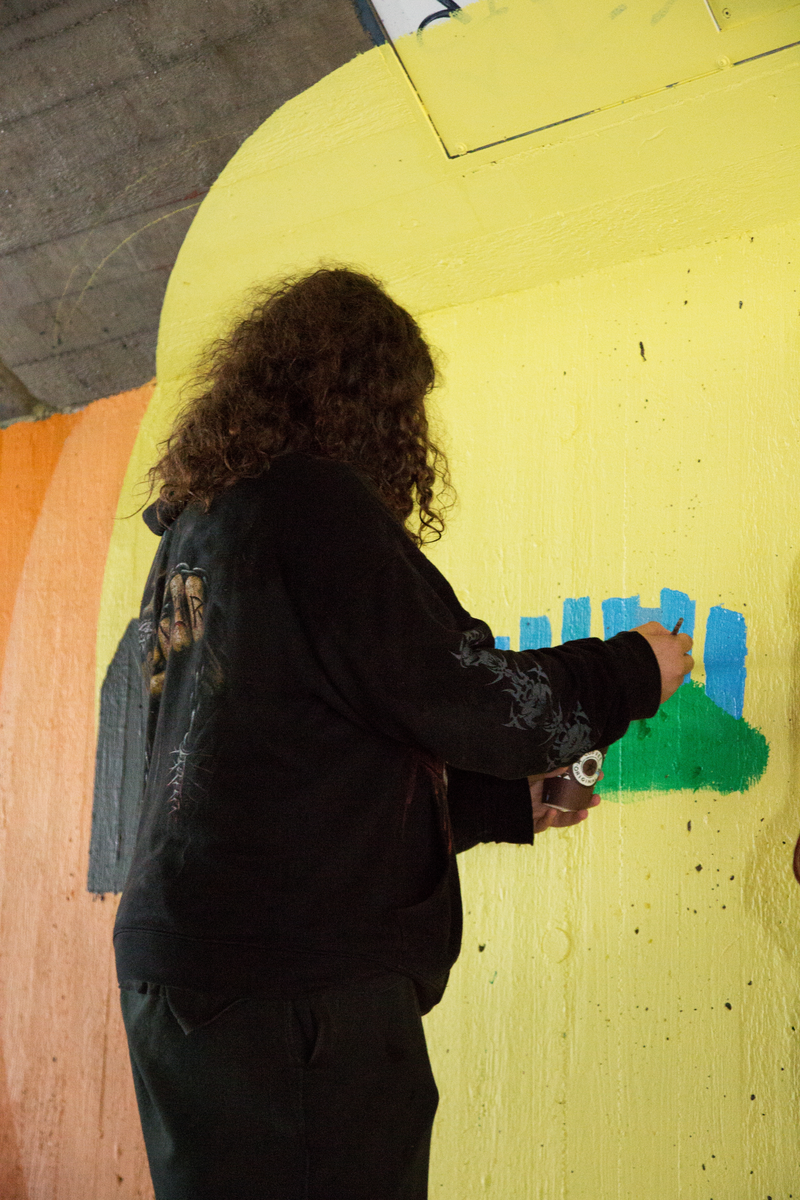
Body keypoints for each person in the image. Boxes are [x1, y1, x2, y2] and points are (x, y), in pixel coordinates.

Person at [114, 267, 693, 1200]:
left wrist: (497, 804)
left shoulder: (200, 533)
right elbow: (465, 693)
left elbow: (291, 763)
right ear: (367, 400)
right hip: (290, 984)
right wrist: (631, 670)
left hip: (188, 975)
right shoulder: (310, 506)